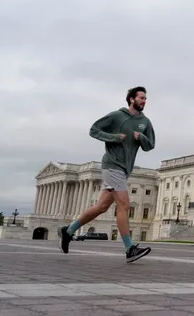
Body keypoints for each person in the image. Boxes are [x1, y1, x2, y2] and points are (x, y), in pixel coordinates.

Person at [58, 86, 156, 263]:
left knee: (101, 207)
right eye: (141, 98)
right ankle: (129, 249)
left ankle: (68, 231)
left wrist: (141, 137)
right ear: (131, 99)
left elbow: (150, 145)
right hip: (112, 164)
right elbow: (94, 130)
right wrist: (114, 137)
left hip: (125, 168)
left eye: (145, 98)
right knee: (124, 205)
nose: (144, 101)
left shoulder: (145, 122)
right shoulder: (116, 116)